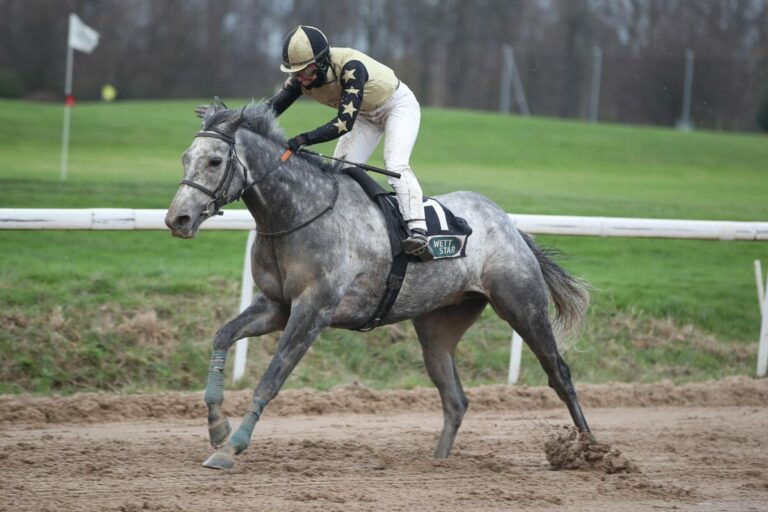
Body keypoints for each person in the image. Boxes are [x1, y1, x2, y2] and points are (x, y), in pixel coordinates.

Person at [266, 25, 432, 259]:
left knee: (395, 163)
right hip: (365, 115)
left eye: (306, 70)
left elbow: (344, 123)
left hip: (397, 106)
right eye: (296, 72)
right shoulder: (299, 81)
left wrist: (303, 139)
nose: (301, 78)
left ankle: (418, 231)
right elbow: (269, 109)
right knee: (342, 170)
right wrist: (228, 119)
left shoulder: (351, 67)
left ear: (322, 62)